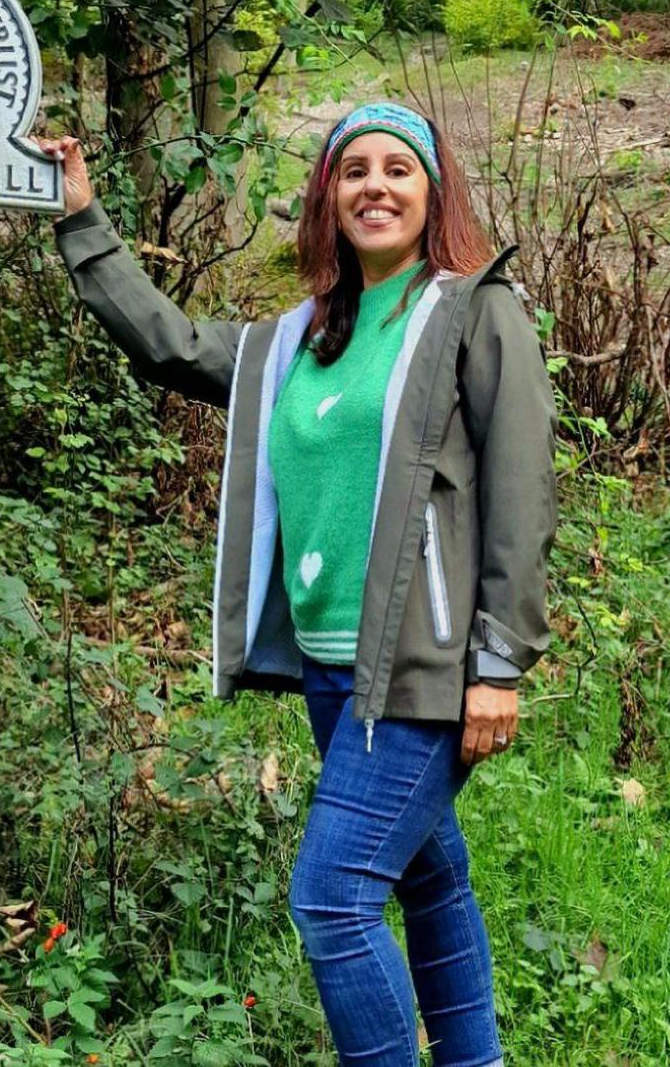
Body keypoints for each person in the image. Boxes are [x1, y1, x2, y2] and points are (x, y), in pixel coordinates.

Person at [37, 102, 555, 1067]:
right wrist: (83, 220)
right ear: (327, 197)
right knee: (431, 880)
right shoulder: (299, 338)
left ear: (432, 191)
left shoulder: (473, 312)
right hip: (333, 670)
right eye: (352, 169)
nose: (375, 186)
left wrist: (498, 664)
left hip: (422, 668)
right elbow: (171, 346)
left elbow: (524, 496)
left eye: (397, 168)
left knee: (333, 895)